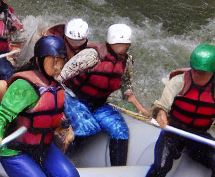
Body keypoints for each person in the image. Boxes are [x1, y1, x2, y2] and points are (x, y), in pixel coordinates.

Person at [0, 35, 79, 177]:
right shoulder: (24, 86)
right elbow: (1, 115)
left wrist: (64, 127)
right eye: (53, 60)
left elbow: (54, 116)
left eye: (61, 61)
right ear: (40, 60)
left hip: (42, 147)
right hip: (16, 151)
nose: (58, 66)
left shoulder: (55, 87)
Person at [141, 43, 215, 177]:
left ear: (212, 72)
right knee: (161, 167)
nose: (197, 75)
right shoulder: (179, 82)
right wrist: (161, 113)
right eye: (195, 70)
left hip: (199, 136)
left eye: (202, 73)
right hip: (174, 131)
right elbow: (159, 106)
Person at [59, 23, 148, 167]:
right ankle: (62, 159)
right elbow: (61, 77)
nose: (125, 47)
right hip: (73, 97)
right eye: (121, 44)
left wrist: (141, 108)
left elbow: (126, 88)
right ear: (112, 42)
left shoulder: (127, 61)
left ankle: (118, 173)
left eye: (126, 44)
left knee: (120, 131)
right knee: (87, 127)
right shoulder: (91, 55)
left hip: (98, 103)